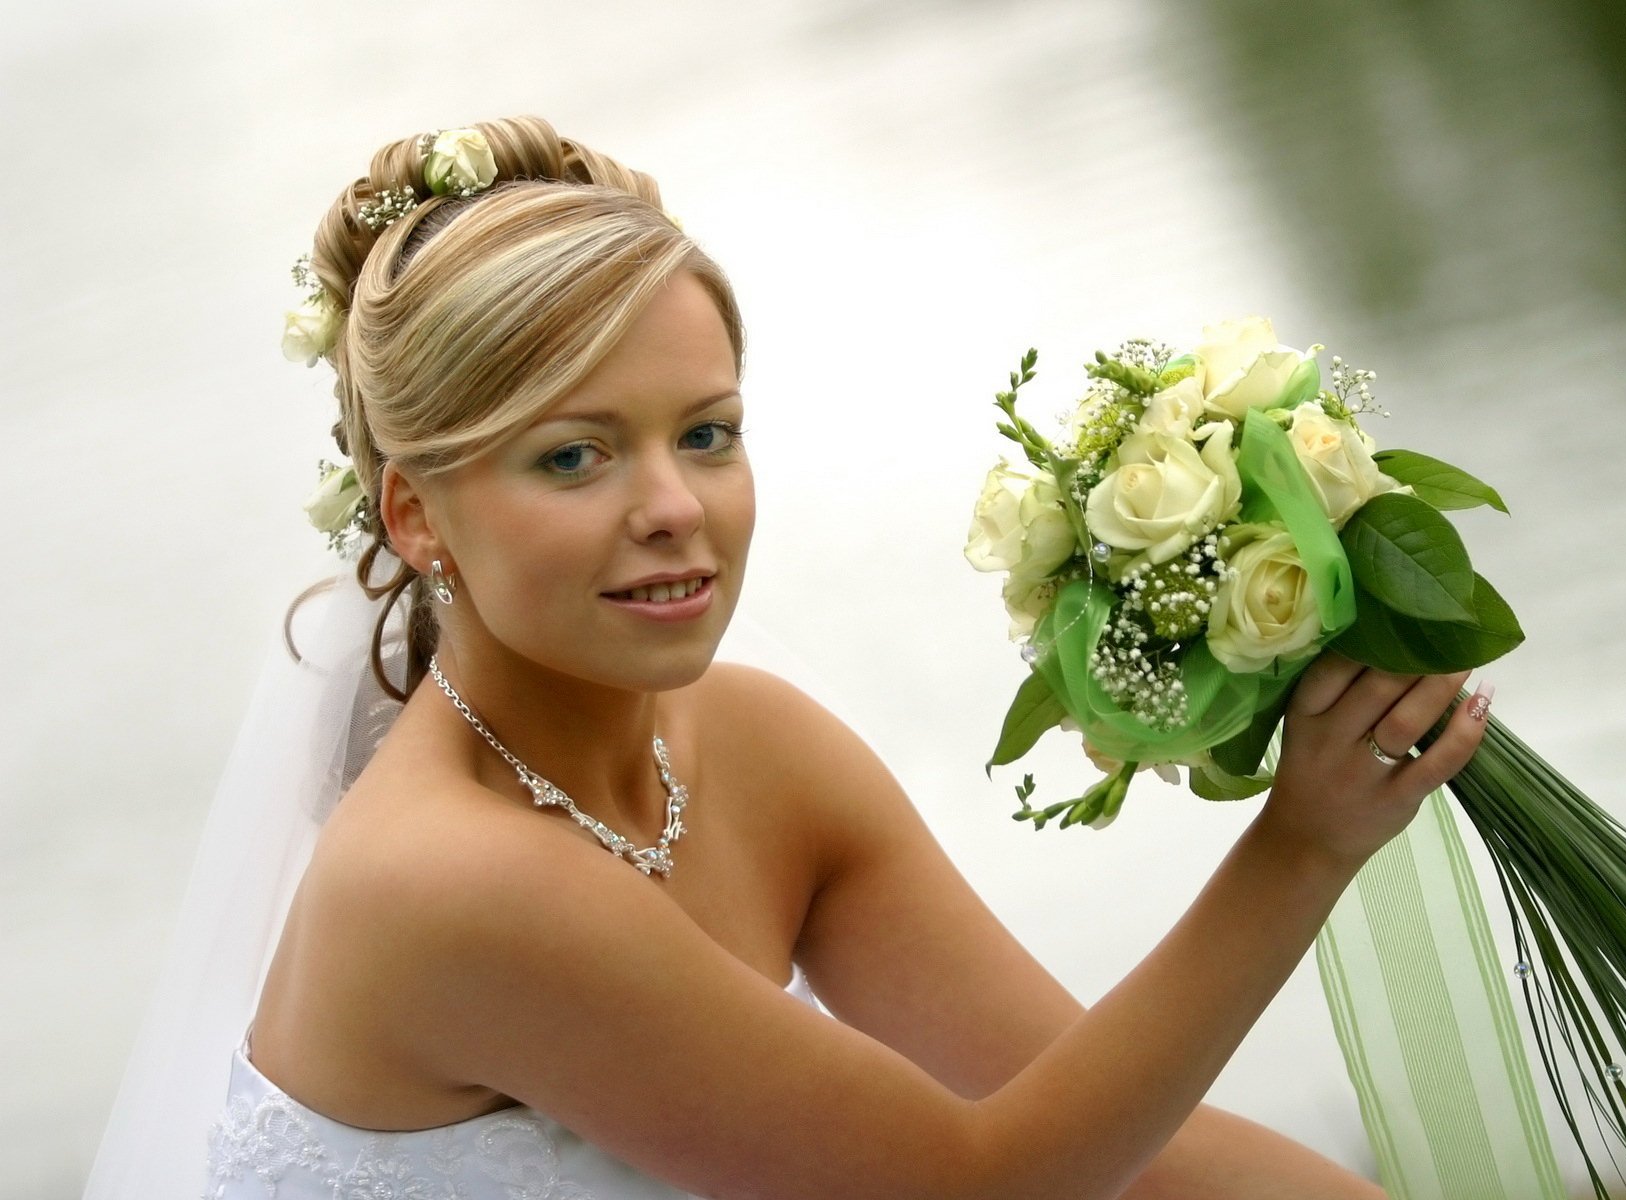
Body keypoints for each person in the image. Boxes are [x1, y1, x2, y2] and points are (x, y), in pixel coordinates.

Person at [83, 114, 1494, 1200]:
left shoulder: (756, 751)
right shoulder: (445, 882)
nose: (673, 508)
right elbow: (983, 1185)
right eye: (574, 455)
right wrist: (1300, 847)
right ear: (417, 512)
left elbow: (1112, 1128)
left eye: (705, 432)